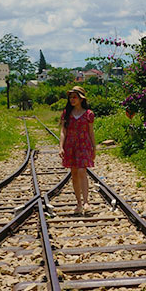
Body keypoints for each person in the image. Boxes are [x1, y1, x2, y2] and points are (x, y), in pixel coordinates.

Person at [59, 85, 96, 214]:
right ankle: (78, 203)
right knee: (74, 173)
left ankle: (86, 202)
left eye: (75, 97)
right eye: (70, 97)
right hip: (70, 146)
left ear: (81, 99)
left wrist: (94, 148)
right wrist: (61, 146)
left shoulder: (88, 114)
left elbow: (91, 132)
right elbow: (63, 131)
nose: (72, 99)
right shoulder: (67, 113)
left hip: (84, 145)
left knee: (82, 171)